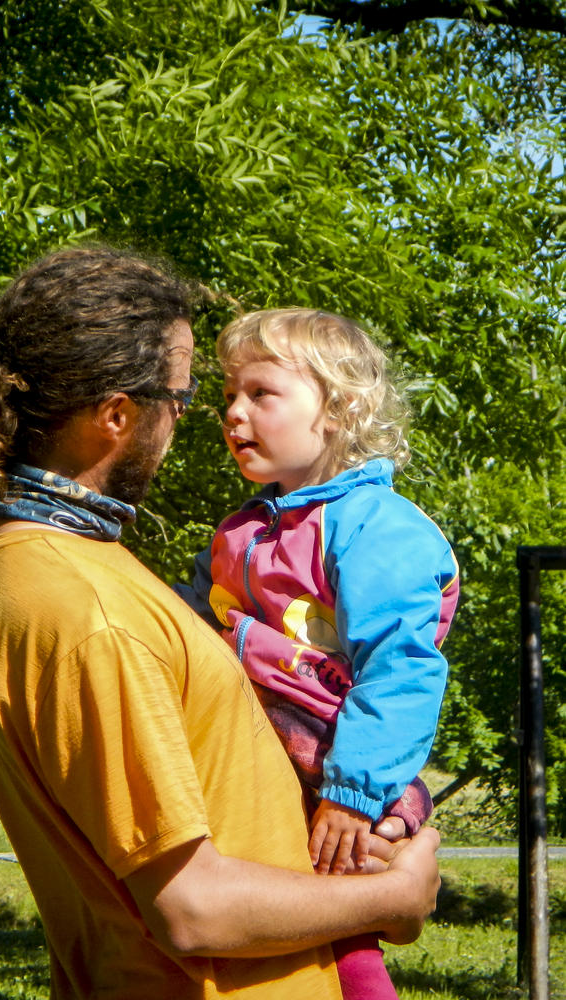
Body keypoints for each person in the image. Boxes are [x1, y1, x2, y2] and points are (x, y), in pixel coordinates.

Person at [0, 246, 441, 1000]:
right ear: (115, 415)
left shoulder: (5, 553)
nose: (201, 416)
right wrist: (392, 900)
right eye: (183, 395)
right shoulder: (95, 615)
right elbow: (191, 912)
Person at [176, 308, 459, 1000]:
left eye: (260, 394)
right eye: (227, 398)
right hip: (259, 745)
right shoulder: (245, 528)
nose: (234, 414)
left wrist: (353, 794)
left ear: (337, 409)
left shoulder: (374, 527)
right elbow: (194, 616)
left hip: (331, 756)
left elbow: (400, 669)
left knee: (344, 915)